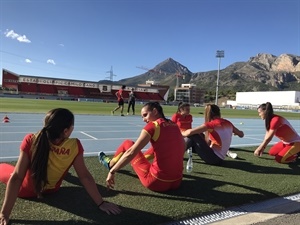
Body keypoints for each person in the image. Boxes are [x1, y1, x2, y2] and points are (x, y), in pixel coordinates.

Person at [0, 108, 121, 224]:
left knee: (4, 168)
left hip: (26, 191)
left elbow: (16, 178)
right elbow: (85, 177)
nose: (73, 128)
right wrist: (101, 203)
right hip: (52, 190)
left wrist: (5, 213)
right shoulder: (75, 146)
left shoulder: (31, 139)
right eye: (72, 125)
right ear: (65, 131)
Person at [99, 102, 185, 192]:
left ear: (155, 111)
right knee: (162, 146)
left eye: (145, 115)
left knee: (128, 143)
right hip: (177, 182)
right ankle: (141, 160)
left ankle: (110, 164)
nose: (144, 119)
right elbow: (182, 146)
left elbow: (131, 152)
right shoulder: (174, 125)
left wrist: (112, 171)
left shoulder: (153, 126)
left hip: (156, 181)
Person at [171, 102, 238, 158]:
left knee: (198, 135)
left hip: (187, 133)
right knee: (193, 136)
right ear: (181, 109)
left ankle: (226, 151)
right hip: (181, 133)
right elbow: (172, 127)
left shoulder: (190, 116)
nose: (189, 111)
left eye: (189, 109)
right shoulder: (176, 116)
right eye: (187, 109)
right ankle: (179, 154)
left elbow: (190, 128)